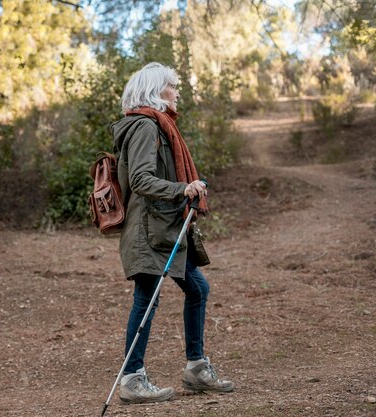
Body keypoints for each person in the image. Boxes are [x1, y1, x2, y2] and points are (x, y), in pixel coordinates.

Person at [110, 62, 234, 404]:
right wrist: (183, 188)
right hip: (149, 229)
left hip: (166, 226)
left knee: (197, 288)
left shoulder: (159, 126)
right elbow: (140, 180)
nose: (177, 92)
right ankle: (132, 379)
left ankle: (195, 368)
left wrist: (184, 190)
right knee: (146, 298)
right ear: (155, 91)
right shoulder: (144, 126)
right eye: (171, 86)